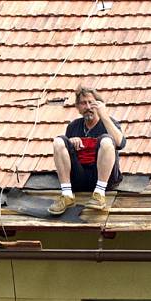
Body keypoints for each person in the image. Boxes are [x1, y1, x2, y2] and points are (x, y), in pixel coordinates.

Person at [48, 85, 126, 214]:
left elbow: (120, 143)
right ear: (78, 107)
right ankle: (67, 194)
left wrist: (104, 116)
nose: (88, 107)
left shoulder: (109, 123)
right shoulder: (73, 126)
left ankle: (99, 195)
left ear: (99, 105)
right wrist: (70, 143)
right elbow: (65, 155)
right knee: (59, 141)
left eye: (91, 103)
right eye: (83, 103)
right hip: (79, 178)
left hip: (104, 179)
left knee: (106, 140)